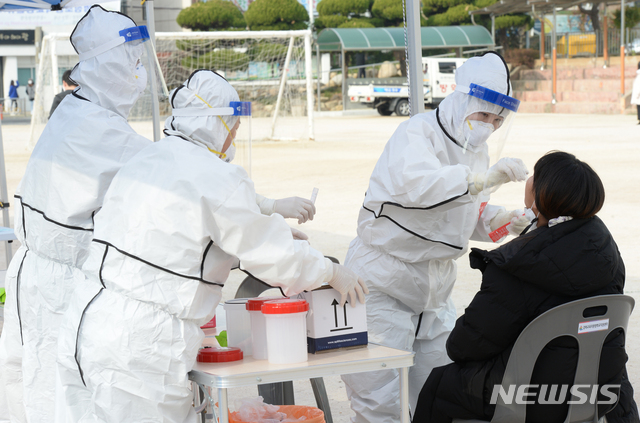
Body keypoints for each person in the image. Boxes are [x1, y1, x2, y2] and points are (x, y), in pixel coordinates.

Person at [55, 69, 368, 423]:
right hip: (142, 341)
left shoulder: (148, 158)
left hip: (86, 318)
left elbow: (174, 240)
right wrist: (329, 270)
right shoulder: (215, 174)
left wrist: (249, 237)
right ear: (215, 123)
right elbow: (273, 255)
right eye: (232, 123)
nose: (235, 132)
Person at [340, 51, 531, 422]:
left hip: (434, 288)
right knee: (380, 402)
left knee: (440, 393)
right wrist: (483, 179)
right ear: (461, 101)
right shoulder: (417, 133)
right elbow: (420, 188)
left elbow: (466, 215)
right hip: (383, 282)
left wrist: (505, 220)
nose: (488, 125)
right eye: (483, 115)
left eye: (497, 119)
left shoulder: (476, 150)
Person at [0, 6, 157, 423]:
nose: (139, 74)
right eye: (133, 63)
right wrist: (265, 208)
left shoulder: (75, 109)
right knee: (61, 394)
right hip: (61, 284)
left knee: (35, 385)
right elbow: (176, 176)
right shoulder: (98, 128)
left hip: (39, 274)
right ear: (108, 67)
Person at [413, 151, 639, 423]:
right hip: (600, 392)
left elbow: (463, 346)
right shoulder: (607, 250)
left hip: (531, 398)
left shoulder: (516, 265)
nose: (529, 179)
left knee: (442, 383)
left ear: (544, 193)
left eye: (535, 174)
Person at [632, 61, 640, 125]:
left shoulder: (638, 76)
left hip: (639, 96)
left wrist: (636, 95)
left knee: (639, 107)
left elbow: (638, 87)